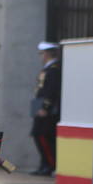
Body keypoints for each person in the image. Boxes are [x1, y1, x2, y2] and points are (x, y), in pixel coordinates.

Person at [31, 41, 61, 175]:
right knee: (39, 136)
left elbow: (51, 91)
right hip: (40, 106)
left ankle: (50, 165)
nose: (41, 56)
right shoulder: (48, 68)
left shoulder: (54, 69)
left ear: (48, 54)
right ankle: (44, 165)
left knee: (43, 136)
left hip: (47, 110)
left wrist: (45, 108)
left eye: (42, 53)